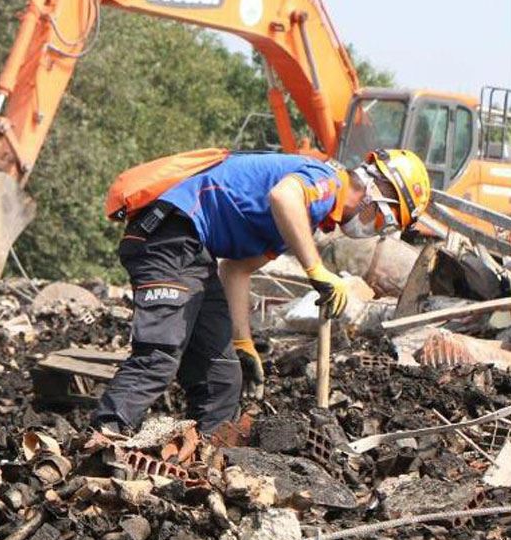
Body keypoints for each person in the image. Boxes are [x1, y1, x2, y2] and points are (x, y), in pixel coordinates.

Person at [91, 148, 431, 436]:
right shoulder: (325, 180)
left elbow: (236, 270)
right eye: (383, 221)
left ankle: (207, 458)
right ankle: (104, 439)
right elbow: (283, 196)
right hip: (169, 235)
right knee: (159, 353)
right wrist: (316, 270)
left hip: (194, 253)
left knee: (222, 376)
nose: (372, 229)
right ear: (377, 189)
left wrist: (243, 342)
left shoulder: (301, 223)